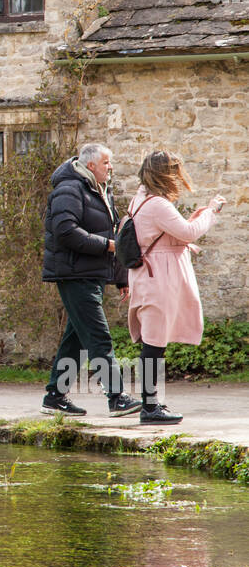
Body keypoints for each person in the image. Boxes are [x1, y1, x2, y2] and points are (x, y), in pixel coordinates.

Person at [41, 142, 141, 417]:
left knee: (74, 341)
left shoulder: (101, 191)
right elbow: (66, 232)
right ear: (91, 165)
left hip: (91, 274)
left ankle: (55, 397)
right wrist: (108, 247)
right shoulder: (68, 189)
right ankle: (117, 397)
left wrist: (121, 276)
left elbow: (117, 234)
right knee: (98, 336)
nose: (111, 167)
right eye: (106, 162)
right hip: (74, 275)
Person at [126, 150, 224, 425]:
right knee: (154, 343)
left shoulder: (141, 199)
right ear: (165, 174)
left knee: (154, 341)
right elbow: (189, 232)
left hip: (150, 274)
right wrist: (211, 211)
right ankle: (150, 407)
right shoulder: (157, 204)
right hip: (158, 278)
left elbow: (166, 234)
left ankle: (153, 402)